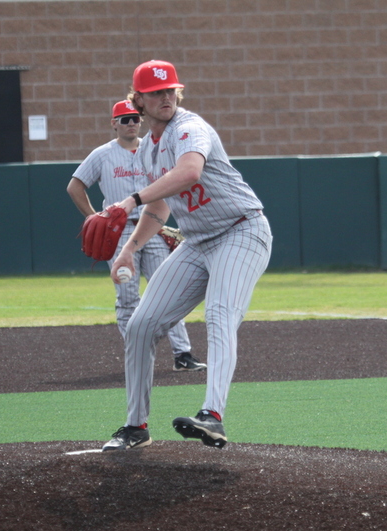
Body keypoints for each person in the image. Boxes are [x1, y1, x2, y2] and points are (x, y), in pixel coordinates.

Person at [101, 59, 272, 451]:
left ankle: (213, 417)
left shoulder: (189, 128)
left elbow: (191, 172)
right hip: (197, 242)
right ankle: (135, 427)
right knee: (142, 324)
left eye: (169, 90)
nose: (165, 97)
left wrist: (130, 199)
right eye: (155, 92)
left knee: (219, 313)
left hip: (241, 231)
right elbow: (160, 209)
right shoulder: (147, 152)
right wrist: (129, 249)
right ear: (138, 101)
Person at [67, 99, 206, 373]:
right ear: (114, 123)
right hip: (118, 232)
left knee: (167, 291)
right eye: (124, 119)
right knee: (128, 295)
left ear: (140, 120)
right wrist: (92, 217)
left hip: (152, 227)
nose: (131, 123)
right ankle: (137, 356)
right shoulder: (103, 154)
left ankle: (183, 354)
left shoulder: (153, 149)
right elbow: (74, 186)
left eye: (134, 118)